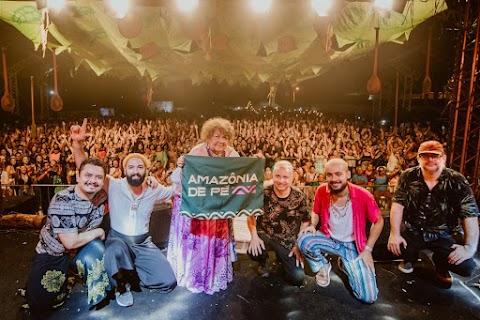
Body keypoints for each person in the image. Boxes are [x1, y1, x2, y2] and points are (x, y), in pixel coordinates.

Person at [71, 119, 177, 307]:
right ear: (124, 170)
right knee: (115, 250)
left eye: (140, 167)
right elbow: (85, 167)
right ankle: (122, 285)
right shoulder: (113, 185)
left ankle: (130, 273)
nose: (135, 171)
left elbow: (176, 190)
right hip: (118, 239)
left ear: (146, 170)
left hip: (143, 243)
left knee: (167, 281)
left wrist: (183, 166)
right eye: (131, 167)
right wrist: (77, 145)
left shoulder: (155, 188)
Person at [387, 140, 479, 288]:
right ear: (418, 158)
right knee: (393, 247)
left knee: (466, 266)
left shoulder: (457, 180)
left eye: (435, 156)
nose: (430, 159)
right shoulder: (407, 176)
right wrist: (394, 233)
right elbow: (397, 205)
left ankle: (441, 265)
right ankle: (409, 258)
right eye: (425, 156)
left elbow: (470, 214)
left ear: (443, 158)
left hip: (444, 233)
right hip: (413, 230)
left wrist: (469, 247)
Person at [26, 158, 110, 315]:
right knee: (39, 306)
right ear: (77, 177)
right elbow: (70, 242)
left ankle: (97, 297)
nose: (93, 180)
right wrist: (98, 232)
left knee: (97, 249)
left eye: (98, 177)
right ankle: (69, 276)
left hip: (81, 249)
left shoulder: (102, 195)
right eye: (88, 175)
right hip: (54, 254)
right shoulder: (63, 199)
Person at [168, 117, 238, 294]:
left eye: (224, 137)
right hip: (196, 209)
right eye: (216, 136)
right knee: (199, 243)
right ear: (207, 137)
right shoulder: (197, 151)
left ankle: (215, 273)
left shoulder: (232, 154)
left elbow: (239, 178)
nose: (221, 141)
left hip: (217, 208)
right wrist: (181, 167)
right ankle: (196, 273)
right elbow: (176, 179)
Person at [298, 158, 383, 303]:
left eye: (338, 174)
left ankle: (345, 264)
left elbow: (379, 221)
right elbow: (315, 211)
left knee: (368, 297)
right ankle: (323, 267)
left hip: (352, 246)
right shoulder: (322, 190)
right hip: (329, 239)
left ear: (348, 174)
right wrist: (312, 225)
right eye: (329, 175)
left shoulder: (363, 195)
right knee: (303, 239)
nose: (334, 179)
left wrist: (368, 249)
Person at [247, 160, 310, 285]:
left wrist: (298, 244)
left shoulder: (299, 196)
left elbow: (306, 220)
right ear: (272, 176)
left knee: (297, 278)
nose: (281, 181)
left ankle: (282, 260)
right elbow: (251, 215)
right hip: (265, 234)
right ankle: (262, 262)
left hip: (287, 241)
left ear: (292, 178)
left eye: (285, 177)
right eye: (278, 176)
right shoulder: (263, 193)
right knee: (253, 251)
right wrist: (253, 236)